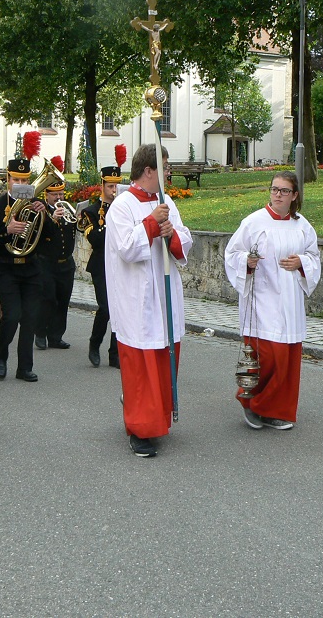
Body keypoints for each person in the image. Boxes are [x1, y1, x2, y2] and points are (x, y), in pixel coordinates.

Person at [105, 144, 193, 458]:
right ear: (149, 171)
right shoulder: (122, 205)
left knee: (162, 358)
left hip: (165, 296)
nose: (169, 173)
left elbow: (184, 240)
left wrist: (171, 235)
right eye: (165, 168)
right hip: (136, 298)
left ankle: (156, 418)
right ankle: (140, 429)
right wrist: (153, 224)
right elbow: (126, 248)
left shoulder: (166, 202)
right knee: (142, 365)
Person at [224, 171, 321, 431]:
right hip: (262, 300)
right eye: (274, 189)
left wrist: (302, 262)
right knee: (267, 357)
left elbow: (314, 256)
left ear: (295, 195)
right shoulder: (254, 222)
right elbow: (232, 253)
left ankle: (276, 410)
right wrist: (246, 261)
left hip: (290, 301)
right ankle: (252, 404)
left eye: (284, 191)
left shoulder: (302, 226)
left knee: (287, 360)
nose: (278, 194)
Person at [0, 151, 52, 382]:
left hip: (31, 268)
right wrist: (6, 232)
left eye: (24, 180)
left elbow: (50, 238)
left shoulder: (36, 205)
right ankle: (1, 356)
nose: (21, 184)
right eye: (16, 179)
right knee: (12, 316)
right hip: (6, 268)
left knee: (30, 318)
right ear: (8, 180)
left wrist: (47, 216)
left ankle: (24, 367)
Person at [79, 157, 125, 368]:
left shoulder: (125, 210)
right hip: (100, 265)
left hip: (122, 265)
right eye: (110, 186)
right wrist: (113, 219)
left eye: (117, 185)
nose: (114, 190)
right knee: (106, 308)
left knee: (120, 309)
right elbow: (96, 239)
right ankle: (94, 343)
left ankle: (115, 354)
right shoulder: (90, 212)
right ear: (102, 186)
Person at [34, 170, 76, 351]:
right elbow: (40, 233)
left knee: (63, 300)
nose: (58, 198)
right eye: (54, 195)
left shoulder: (67, 210)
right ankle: (41, 333)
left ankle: (56, 336)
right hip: (46, 264)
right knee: (48, 299)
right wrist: (53, 218)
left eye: (61, 194)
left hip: (66, 263)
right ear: (47, 195)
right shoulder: (41, 212)